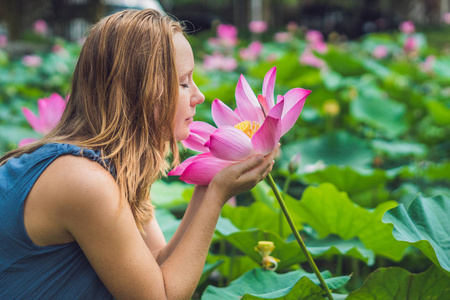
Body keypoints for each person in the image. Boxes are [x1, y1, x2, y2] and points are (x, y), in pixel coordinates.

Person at [0, 9, 278, 299]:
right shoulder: (83, 180)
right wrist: (218, 196)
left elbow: (156, 265)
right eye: (184, 83)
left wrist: (207, 186)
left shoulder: (112, 166)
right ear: (141, 92)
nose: (199, 96)